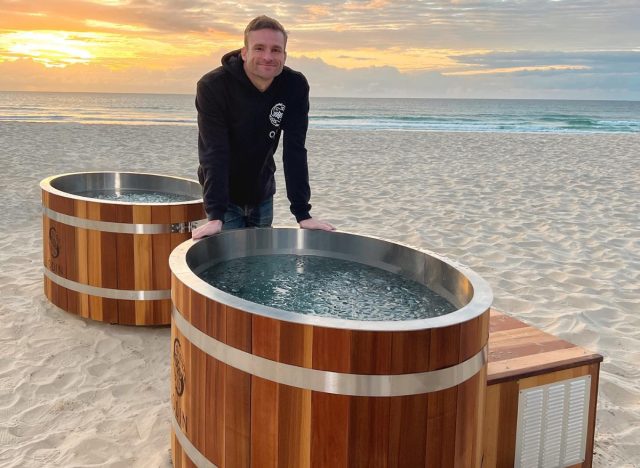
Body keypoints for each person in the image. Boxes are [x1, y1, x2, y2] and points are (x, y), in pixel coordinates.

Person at [192, 15, 335, 239]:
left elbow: (295, 150)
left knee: (259, 267)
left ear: (284, 56)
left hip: (262, 191)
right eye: (259, 48)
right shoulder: (213, 86)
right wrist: (216, 214)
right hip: (224, 196)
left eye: (276, 50)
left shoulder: (294, 86)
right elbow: (214, 152)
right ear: (244, 52)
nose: (268, 57)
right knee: (229, 269)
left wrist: (302, 214)